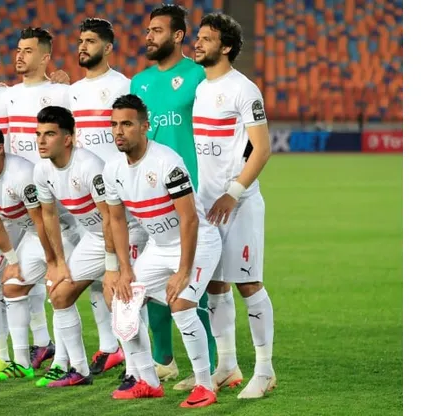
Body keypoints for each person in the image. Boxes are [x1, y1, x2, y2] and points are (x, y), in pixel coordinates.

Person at [102, 94, 221, 408]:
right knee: (122, 304)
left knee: (181, 305)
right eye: (114, 124)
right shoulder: (112, 169)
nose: (118, 131)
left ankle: (204, 385)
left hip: (197, 243)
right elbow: (116, 220)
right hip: (159, 246)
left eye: (127, 124)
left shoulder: (168, 162)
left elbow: (190, 219)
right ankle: (148, 381)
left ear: (145, 127)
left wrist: (183, 271)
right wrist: (123, 270)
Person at [129, 4, 217, 390]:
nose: (149, 36)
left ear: (178, 35)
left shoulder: (199, 76)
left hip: (191, 194)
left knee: (195, 284)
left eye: (157, 30)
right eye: (148, 30)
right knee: (152, 287)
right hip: (149, 197)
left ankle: (209, 365)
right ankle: (163, 361)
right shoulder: (139, 82)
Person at [30, 106, 148, 387]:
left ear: (68, 138)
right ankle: (79, 370)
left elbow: (110, 217)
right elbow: (48, 216)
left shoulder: (89, 166)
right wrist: (57, 263)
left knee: (116, 296)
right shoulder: (42, 170)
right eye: (38, 134)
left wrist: (111, 267)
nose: (41, 140)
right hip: (96, 237)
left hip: (129, 233)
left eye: (49, 134)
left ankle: (135, 372)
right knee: (59, 294)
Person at [193, 12, 276, 399]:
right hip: (207, 206)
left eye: (206, 38)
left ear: (225, 47)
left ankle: (265, 370)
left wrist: (234, 191)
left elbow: (262, 148)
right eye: (197, 37)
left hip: (238, 205)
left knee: (248, 282)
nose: (197, 43)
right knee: (214, 284)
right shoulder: (201, 89)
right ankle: (226, 365)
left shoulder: (244, 89)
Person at [0, 120, 80, 381]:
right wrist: (13, 261)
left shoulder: (22, 174)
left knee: (58, 292)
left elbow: (42, 220)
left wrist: (53, 262)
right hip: (33, 235)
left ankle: (62, 364)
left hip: (63, 233)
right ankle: (20, 363)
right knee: (13, 286)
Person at [67, 17, 133, 376]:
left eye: (90, 41)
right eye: (81, 40)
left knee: (122, 279)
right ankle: (110, 348)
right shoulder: (72, 91)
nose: (82, 46)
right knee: (95, 278)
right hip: (84, 200)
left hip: (119, 200)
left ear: (108, 48)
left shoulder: (123, 85)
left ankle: (135, 358)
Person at [4, 27, 71, 164]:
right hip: (18, 175)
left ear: (44, 58)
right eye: (19, 50)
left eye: (28, 51)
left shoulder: (61, 93)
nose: (20, 56)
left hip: (51, 175)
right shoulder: (8, 94)